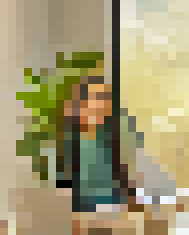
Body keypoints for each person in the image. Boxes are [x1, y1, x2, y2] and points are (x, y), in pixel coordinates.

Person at [52, 75, 166, 213]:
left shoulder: (111, 139)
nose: (103, 104)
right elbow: (65, 197)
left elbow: (131, 183)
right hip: (87, 218)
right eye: (96, 97)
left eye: (105, 98)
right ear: (79, 104)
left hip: (121, 214)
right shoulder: (68, 146)